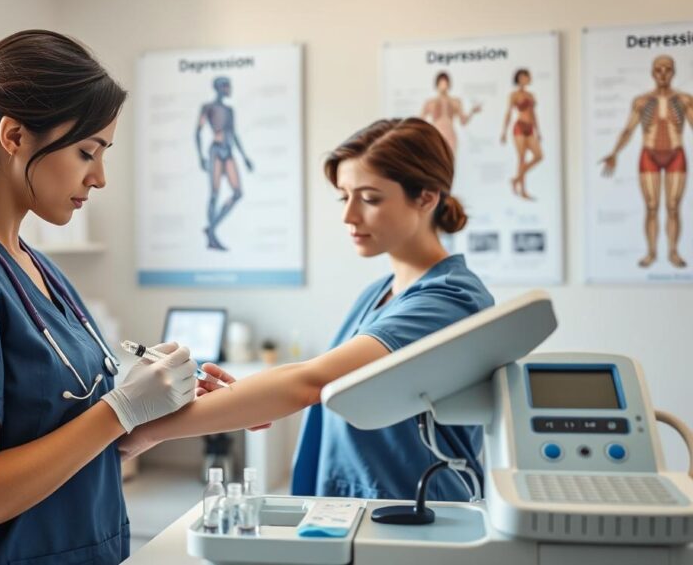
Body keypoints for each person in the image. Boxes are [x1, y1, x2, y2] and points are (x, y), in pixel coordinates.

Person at [0, 30, 204, 564]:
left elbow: (67, 429)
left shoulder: (32, 265)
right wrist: (121, 409)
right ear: (13, 136)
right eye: (86, 152)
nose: (98, 177)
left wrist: (158, 400)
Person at [120, 118, 494, 503]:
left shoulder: (448, 300)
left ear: (427, 197)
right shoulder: (379, 293)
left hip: (413, 510)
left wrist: (151, 429)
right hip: (354, 503)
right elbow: (331, 385)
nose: (349, 216)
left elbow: (310, 382)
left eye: (369, 198)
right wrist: (242, 402)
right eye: (344, 197)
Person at [601, 55, 693, 269]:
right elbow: (628, 129)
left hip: (675, 154)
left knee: (673, 206)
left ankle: (672, 252)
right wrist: (614, 153)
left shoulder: (685, 100)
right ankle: (651, 252)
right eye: (658, 69)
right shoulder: (641, 101)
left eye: (667, 69)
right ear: (652, 73)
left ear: (673, 72)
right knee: (651, 207)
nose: (662, 74)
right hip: (649, 154)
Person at [196, 76, 254, 250]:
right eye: (227, 86)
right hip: (216, 150)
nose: (229, 89)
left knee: (237, 192)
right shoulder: (208, 108)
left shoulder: (230, 110)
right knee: (214, 194)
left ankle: (211, 229)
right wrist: (200, 157)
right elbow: (198, 132)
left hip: (228, 152)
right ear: (220, 88)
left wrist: (244, 158)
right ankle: (212, 234)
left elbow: (234, 134)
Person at [500, 68, 543, 201]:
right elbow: (508, 113)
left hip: (530, 128)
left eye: (527, 77)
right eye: (525, 76)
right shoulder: (514, 95)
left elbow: (533, 114)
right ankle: (523, 190)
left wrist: (538, 131)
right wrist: (504, 132)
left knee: (538, 156)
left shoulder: (531, 96)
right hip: (519, 127)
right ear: (519, 79)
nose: (527, 79)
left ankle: (517, 179)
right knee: (522, 158)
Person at [420, 72, 481, 155]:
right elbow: (420, 121)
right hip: (435, 137)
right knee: (436, 164)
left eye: (445, 83)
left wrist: (472, 111)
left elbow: (463, 121)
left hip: (450, 137)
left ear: (448, 84)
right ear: (437, 84)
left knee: (448, 164)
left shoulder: (455, 102)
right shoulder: (430, 102)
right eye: (441, 83)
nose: (443, 85)